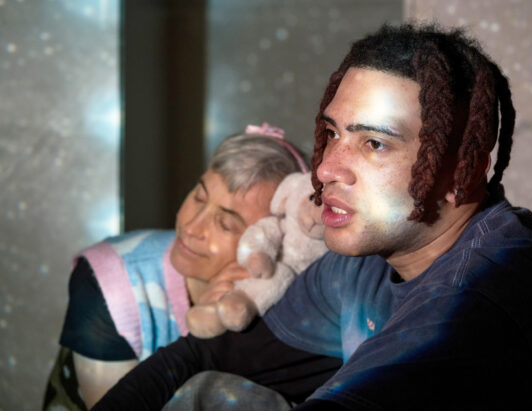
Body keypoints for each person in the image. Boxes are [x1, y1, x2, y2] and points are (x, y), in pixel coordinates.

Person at [94, 24, 532, 410]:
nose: (326, 168)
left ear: (462, 168)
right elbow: (202, 354)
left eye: (374, 144)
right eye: (332, 133)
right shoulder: (367, 261)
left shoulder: (475, 310)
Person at [42, 125, 340, 410]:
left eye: (226, 223)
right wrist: (201, 338)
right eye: (199, 196)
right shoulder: (110, 277)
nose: (192, 226)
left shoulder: (289, 299)